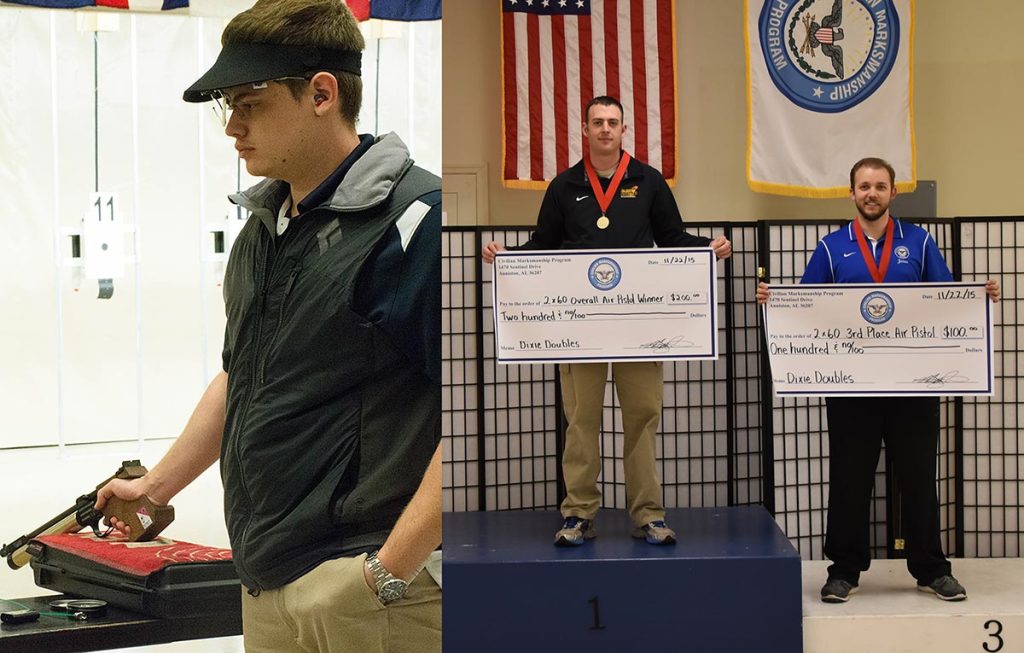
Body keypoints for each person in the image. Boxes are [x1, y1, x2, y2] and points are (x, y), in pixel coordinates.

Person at [94, 1, 442, 650]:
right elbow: (243, 374)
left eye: (249, 102)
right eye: (229, 106)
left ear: (320, 92)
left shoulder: (414, 222)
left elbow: (477, 413)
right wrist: (155, 487)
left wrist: (389, 569)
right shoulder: (263, 230)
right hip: (268, 585)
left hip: (367, 588)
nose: (233, 128)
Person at [483, 96, 732, 547]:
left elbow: (672, 238)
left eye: (612, 123)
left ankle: (648, 515)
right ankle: (578, 513)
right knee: (580, 422)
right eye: (597, 122)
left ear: (623, 130)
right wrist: (508, 258)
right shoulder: (564, 186)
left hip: (637, 328)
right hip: (581, 329)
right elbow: (543, 245)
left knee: (642, 418)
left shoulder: (648, 181)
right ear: (584, 129)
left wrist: (706, 247)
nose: (604, 129)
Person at [756, 157, 1000, 603]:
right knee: (850, 477)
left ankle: (930, 567)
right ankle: (844, 570)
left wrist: (976, 299)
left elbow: (944, 301)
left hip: (913, 386)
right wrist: (777, 301)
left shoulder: (920, 242)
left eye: (880, 186)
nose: (872, 193)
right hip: (853, 388)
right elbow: (808, 306)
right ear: (852, 193)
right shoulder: (831, 248)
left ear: (892, 193)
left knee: (919, 476)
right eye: (864, 186)